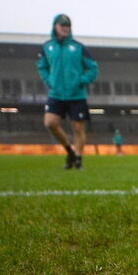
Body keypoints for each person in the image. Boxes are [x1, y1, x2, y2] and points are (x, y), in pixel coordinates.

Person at [37, 13, 98, 170]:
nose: (65, 28)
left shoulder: (78, 48)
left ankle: (78, 159)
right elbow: (42, 66)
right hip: (56, 94)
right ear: (55, 27)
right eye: (62, 25)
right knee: (50, 123)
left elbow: (92, 67)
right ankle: (69, 150)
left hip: (76, 95)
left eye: (68, 26)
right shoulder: (47, 47)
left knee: (78, 128)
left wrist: (82, 80)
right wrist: (49, 81)